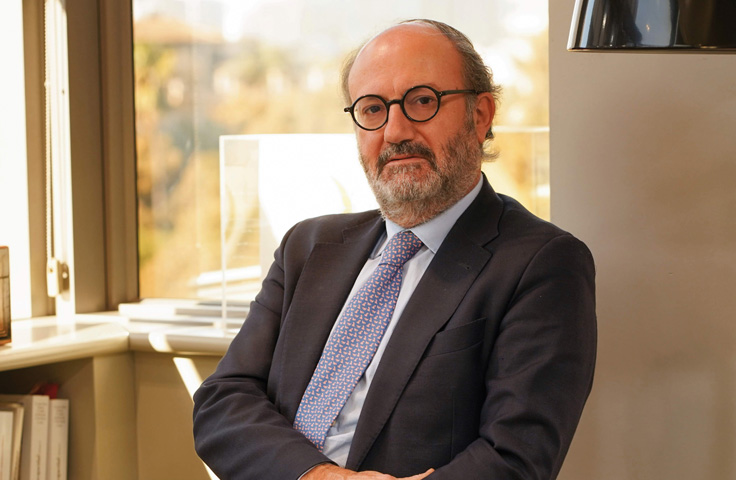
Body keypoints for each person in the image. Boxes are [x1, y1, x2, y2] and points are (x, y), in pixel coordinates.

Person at [193, 19, 596, 480]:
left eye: (422, 101)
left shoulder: (542, 264)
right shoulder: (307, 247)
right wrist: (319, 476)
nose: (394, 131)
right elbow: (222, 401)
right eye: (372, 109)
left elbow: (515, 459)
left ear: (480, 115)